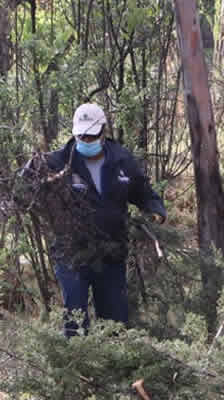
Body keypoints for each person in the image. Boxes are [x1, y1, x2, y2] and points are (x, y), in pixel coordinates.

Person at [45, 102, 166, 337]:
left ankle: (114, 371)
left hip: (111, 253)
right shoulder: (57, 162)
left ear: (103, 131)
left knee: (115, 323)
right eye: (81, 136)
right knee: (75, 320)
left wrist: (155, 210)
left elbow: (142, 192)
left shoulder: (122, 160)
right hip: (71, 254)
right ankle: (76, 370)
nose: (86, 141)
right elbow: (24, 189)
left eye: (91, 136)